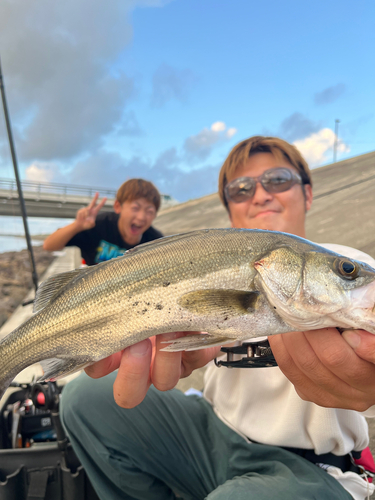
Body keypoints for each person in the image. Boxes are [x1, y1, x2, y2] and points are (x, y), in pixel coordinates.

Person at [60, 136, 375, 500]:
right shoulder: (219, 261)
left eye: (278, 179)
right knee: (83, 396)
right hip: (212, 433)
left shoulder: (343, 259)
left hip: (310, 466)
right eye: (241, 189)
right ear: (229, 212)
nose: (260, 195)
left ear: (307, 193)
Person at [43, 178, 163, 265]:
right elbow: (49, 245)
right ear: (117, 206)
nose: (142, 217)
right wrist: (77, 226)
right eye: (135, 208)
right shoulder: (98, 225)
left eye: (149, 211)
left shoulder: (157, 243)